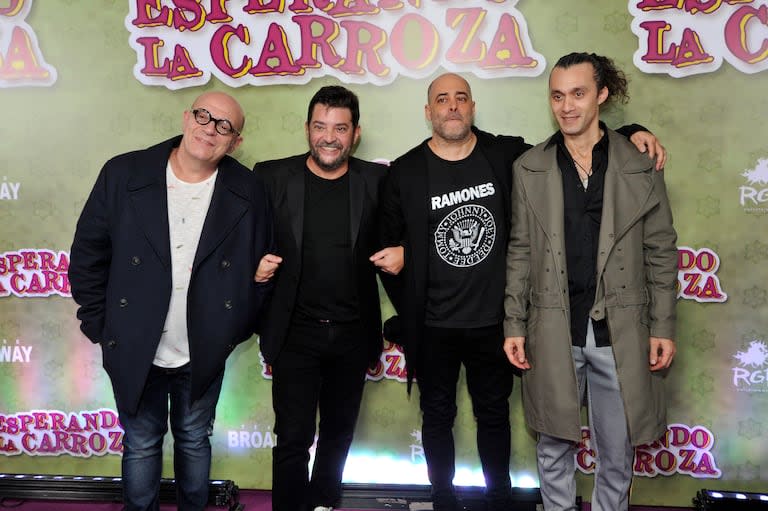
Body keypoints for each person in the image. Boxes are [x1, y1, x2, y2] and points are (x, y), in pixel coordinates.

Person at [375, 72, 667, 511]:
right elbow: (385, 246)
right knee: (436, 418)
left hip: (494, 322)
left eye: (461, 98)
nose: (452, 106)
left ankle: (498, 500)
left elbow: (575, 143)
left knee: (494, 417)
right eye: (441, 99)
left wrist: (630, 132)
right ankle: (443, 500)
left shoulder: (506, 154)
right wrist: (403, 257)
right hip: (433, 325)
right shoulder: (404, 171)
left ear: (473, 107)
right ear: (428, 111)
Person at [69, 92, 274, 511]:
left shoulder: (249, 190)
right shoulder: (124, 173)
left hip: (203, 347)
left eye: (224, 126)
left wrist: (233, 329)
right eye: (203, 116)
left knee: (195, 439)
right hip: (134, 342)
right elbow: (88, 254)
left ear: (235, 141)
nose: (209, 129)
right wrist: (100, 325)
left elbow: (261, 267)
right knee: (141, 442)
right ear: (187, 117)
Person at [503, 52, 678, 511]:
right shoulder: (528, 167)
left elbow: (660, 249)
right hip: (551, 327)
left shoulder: (640, 162)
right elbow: (520, 250)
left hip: (619, 329)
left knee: (617, 453)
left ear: (601, 95)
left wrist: (662, 327)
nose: (567, 106)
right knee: (553, 446)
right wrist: (513, 325)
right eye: (557, 96)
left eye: (578, 94)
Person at [253, 85, 393, 511]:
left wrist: (403, 250)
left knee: (338, 433)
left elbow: (404, 235)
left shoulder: (377, 179)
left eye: (340, 128)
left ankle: (324, 504)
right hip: (295, 332)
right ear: (307, 129)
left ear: (355, 133)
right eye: (320, 126)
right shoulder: (272, 176)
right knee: (293, 438)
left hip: (353, 333)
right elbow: (239, 239)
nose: (328, 137)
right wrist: (252, 267)